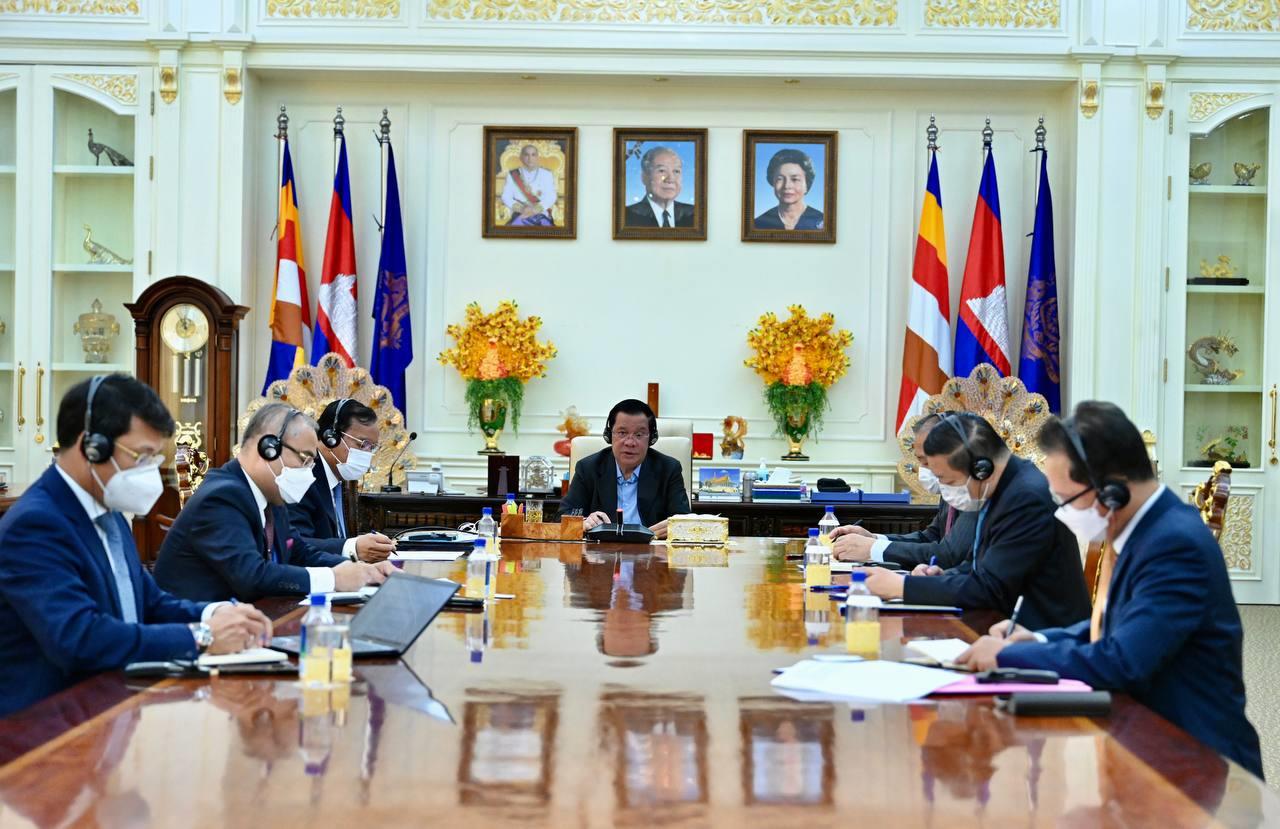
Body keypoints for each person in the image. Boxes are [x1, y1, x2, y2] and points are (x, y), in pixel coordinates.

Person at [956, 401, 1263, 779]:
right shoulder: (1148, 527)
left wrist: (1006, 657)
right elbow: (1120, 624)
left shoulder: (1174, 545)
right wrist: (1036, 640)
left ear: (1112, 491)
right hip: (1149, 740)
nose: (1061, 512)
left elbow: (1122, 660)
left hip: (1198, 763)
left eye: (1065, 500)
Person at [0, 374, 271, 715]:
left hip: (111, 706)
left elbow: (148, 602)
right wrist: (202, 636)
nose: (150, 473)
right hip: (47, 726)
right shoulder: (35, 525)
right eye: (142, 456)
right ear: (91, 447)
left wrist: (216, 613)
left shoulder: (109, 511)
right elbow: (79, 639)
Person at [861, 412, 1091, 630]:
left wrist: (903, 586)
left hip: (1044, 635)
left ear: (981, 469)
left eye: (947, 480)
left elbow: (990, 588)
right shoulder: (1001, 487)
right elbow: (976, 565)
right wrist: (942, 577)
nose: (945, 490)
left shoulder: (1026, 498)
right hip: (1003, 623)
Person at [154, 403, 394, 602]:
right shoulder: (221, 497)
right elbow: (252, 574)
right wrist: (333, 579)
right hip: (197, 629)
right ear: (268, 448)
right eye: (305, 459)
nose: (309, 472)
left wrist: (364, 571)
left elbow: (299, 552)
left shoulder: (271, 495)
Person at [831, 413, 977, 570]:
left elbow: (949, 555)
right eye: (920, 460)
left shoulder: (975, 492)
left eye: (926, 461)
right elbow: (930, 537)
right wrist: (874, 539)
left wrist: (873, 549)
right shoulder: (950, 487)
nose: (924, 468)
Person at [560, 399, 690, 539]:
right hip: (601, 551)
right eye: (622, 433)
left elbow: (685, 522)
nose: (630, 442)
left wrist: (673, 527)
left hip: (652, 549)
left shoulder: (669, 469)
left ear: (651, 438)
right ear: (610, 435)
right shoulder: (588, 468)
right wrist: (584, 522)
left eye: (639, 435)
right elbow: (562, 518)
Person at [287, 397, 396, 563]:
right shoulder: (302, 477)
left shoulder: (340, 478)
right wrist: (352, 548)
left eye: (372, 447)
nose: (367, 453)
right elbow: (294, 545)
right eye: (363, 444)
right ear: (331, 437)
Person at [623, 145, 694, 228]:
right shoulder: (626, 216)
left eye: (676, 171)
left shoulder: (694, 214)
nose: (671, 179)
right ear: (644, 177)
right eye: (662, 171)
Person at [753, 148, 824, 230]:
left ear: (807, 184)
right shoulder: (759, 223)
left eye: (795, 179)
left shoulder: (822, 221)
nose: (787, 186)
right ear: (773, 182)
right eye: (780, 179)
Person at [499, 143, 557, 227]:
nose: (530, 158)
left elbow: (551, 196)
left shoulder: (547, 174)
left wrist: (535, 209)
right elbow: (506, 196)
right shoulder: (513, 174)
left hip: (541, 213)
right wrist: (521, 209)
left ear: (537, 157)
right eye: (526, 155)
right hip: (520, 213)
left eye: (533, 155)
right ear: (521, 157)